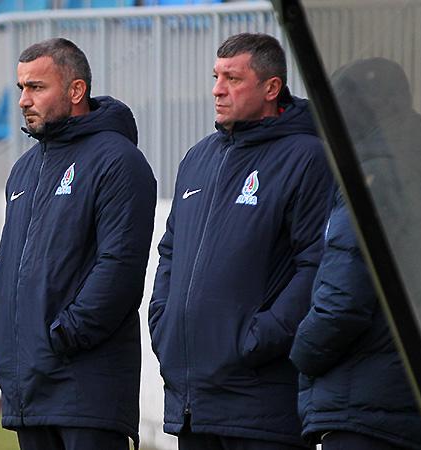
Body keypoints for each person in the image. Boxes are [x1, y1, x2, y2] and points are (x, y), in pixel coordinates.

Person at [148, 32, 333, 450]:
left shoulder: (308, 158)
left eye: (232, 78)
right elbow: (170, 251)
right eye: (216, 77)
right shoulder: (198, 157)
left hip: (260, 404)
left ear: (271, 87)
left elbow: (317, 265)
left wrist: (256, 338)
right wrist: (163, 322)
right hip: (193, 404)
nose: (217, 89)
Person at [0, 37, 156, 450]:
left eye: (36, 87)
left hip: (85, 387)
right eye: (21, 87)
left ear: (76, 91)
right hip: (30, 386)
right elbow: (8, 261)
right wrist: (4, 333)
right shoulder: (24, 169)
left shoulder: (117, 160)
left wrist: (62, 336)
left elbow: (120, 267)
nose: (24, 100)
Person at [289, 58, 421, 450]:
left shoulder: (371, 180)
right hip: (408, 395)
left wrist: (301, 354)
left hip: (363, 404)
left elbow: (342, 301)